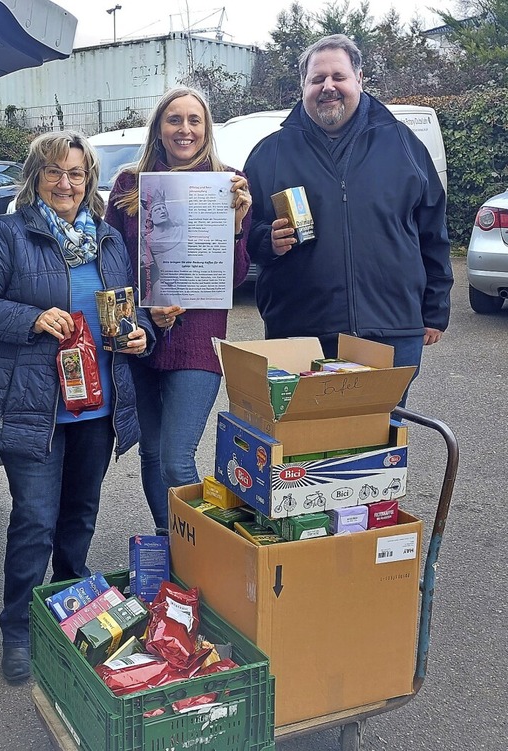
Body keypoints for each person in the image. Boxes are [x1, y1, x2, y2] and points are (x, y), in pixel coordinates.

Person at [0, 130, 155, 684]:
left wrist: (139, 336)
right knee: (35, 520)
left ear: (89, 181)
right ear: (35, 178)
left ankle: (70, 609)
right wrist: (31, 318)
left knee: (80, 515)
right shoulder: (8, 233)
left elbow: (132, 315)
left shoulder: (110, 242)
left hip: (97, 406)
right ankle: (17, 630)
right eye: (54, 173)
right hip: (32, 408)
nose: (66, 184)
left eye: (76, 174)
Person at [244, 34, 453, 402]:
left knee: (379, 446)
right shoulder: (269, 153)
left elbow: (432, 231)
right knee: (305, 450)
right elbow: (245, 233)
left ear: (359, 78)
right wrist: (267, 241)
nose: (329, 87)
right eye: (317, 79)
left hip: (390, 330)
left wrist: (434, 310)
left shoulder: (403, 145)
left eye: (338, 77)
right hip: (300, 332)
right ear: (303, 86)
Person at [105, 86, 252, 530]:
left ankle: (198, 546)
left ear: (206, 128)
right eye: (174, 119)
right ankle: (166, 541)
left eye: (194, 120)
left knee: (176, 458)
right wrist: (146, 314)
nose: (184, 129)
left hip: (197, 341)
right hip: (142, 340)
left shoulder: (230, 181)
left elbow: (237, 277)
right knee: (151, 452)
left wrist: (237, 226)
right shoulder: (130, 184)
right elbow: (113, 263)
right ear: (159, 128)